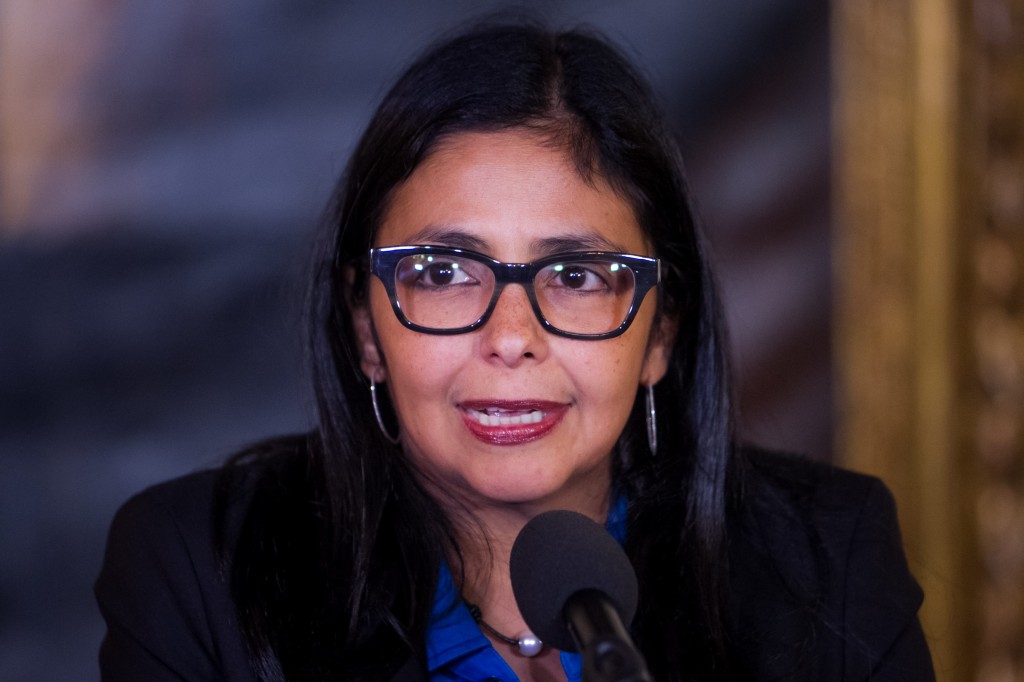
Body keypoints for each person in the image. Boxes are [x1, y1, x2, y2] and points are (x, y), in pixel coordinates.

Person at [95, 21, 935, 682]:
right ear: (366, 332)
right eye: (443, 273)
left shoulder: (827, 558)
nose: (510, 338)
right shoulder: (200, 571)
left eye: (576, 275)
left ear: (660, 333)